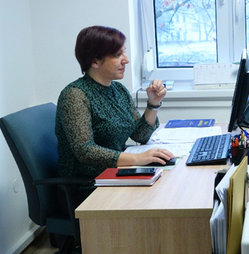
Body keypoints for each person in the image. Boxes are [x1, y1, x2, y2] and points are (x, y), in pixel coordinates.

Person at [56, 25, 174, 180]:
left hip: (115, 173)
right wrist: (137, 158)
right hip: (88, 183)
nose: (126, 60)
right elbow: (85, 150)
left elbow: (140, 135)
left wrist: (153, 104)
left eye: (124, 52)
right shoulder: (75, 95)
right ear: (95, 61)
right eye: (118, 55)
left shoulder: (118, 90)